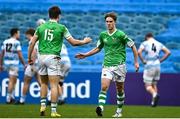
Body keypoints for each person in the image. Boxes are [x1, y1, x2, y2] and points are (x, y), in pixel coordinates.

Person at [28, 6, 91, 117]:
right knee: (54, 85)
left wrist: (29, 58)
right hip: (53, 58)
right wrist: (85, 41)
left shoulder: (41, 27)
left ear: (49, 15)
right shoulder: (61, 27)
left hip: (41, 57)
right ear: (59, 16)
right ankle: (53, 111)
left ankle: (42, 106)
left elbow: (32, 43)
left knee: (43, 83)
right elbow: (73, 42)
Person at [75, 12, 139, 117]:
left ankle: (119, 111)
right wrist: (85, 55)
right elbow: (98, 48)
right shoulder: (103, 35)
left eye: (110, 21)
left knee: (120, 90)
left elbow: (133, 46)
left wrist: (136, 62)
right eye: (107, 22)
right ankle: (100, 107)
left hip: (120, 66)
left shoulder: (121, 35)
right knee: (104, 87)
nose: (108, 23)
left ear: (115, 22)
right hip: (107, 65)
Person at [138, 33, 171, 107]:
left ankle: (155, 94)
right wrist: (160, 60)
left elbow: (139, 52)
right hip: (157, 65)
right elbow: (168, 52)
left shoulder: (145, 43)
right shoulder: (159, 43)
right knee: (154, 84)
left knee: (148, 86)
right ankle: (153, 103)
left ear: (146, 37)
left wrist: (143, 60)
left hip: (149, 66)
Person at [0, 28, 26, 104]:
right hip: (13, 63)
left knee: (13, 81)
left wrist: (1, 64)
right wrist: (24, 64)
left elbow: (2, 54)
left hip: (6, 63)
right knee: (12, 81)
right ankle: (8, 98)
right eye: (18, 33)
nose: (19, 35)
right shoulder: (16, 42)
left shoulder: (5, 42)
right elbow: (20, 55)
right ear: (15, 34)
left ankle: (12, 97)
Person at [16, 28, 41, 104]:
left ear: (29, 34)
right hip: (38, 64)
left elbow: (33, 52)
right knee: (41, 83)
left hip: (32, 65)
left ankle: (22, 100)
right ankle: (49, 97)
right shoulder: (38, 42)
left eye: (26, 35)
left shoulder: (32, 41)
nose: (26, 37)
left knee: (26, 82)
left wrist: (31, 63)